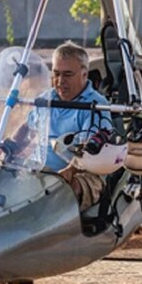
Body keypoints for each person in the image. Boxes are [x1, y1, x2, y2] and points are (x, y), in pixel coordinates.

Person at [40, 41, 111, 211]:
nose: (60, 81)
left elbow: (88, 151)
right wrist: (10, 146)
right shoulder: (46, 99)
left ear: (84, 74)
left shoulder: (96, 105)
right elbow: (27, 129)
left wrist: (69, 172)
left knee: (68, 190)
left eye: (67, 74)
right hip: (43, 171)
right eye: (56, 74)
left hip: (83, 172)